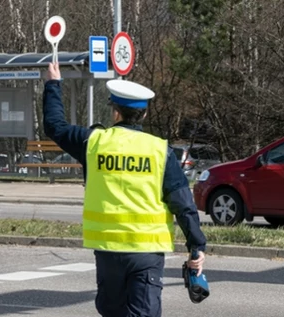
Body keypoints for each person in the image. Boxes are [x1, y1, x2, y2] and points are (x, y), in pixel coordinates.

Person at [43, 62, 207, 317]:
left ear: (115, 113)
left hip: (108, 251)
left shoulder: (93, 143)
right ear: (142, 115)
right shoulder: (159, 150)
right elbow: (182, 203)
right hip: (147, 252)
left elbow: (54, 125)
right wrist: (196, 247)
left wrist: (53, 83)